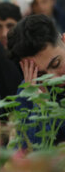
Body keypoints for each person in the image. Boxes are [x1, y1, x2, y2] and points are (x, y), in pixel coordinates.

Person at [7, 14, 65, 144]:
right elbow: (29, 154)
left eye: (56, 64)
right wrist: (39, 104)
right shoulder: (29, 88)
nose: (53, 78)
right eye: (40, 74)